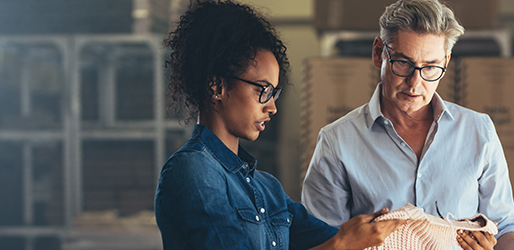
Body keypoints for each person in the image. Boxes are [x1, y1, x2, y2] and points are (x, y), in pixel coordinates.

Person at [154, 1, 406, 249]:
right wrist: (341, 245)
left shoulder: (268, 189)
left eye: (274, 93)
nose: (272, 107)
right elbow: (339, 243)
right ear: (217, 86)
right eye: (262, 90)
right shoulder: (193, 171)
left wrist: (393, 225)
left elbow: (337, 237)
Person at [301, 0, 514, 249]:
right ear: (379, 53)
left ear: (446, 61)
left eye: (431, 67)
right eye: (403, 63)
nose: (415, 83)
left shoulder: (478, 131)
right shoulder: (337, 142)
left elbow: (507, 227)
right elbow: (320, 241)